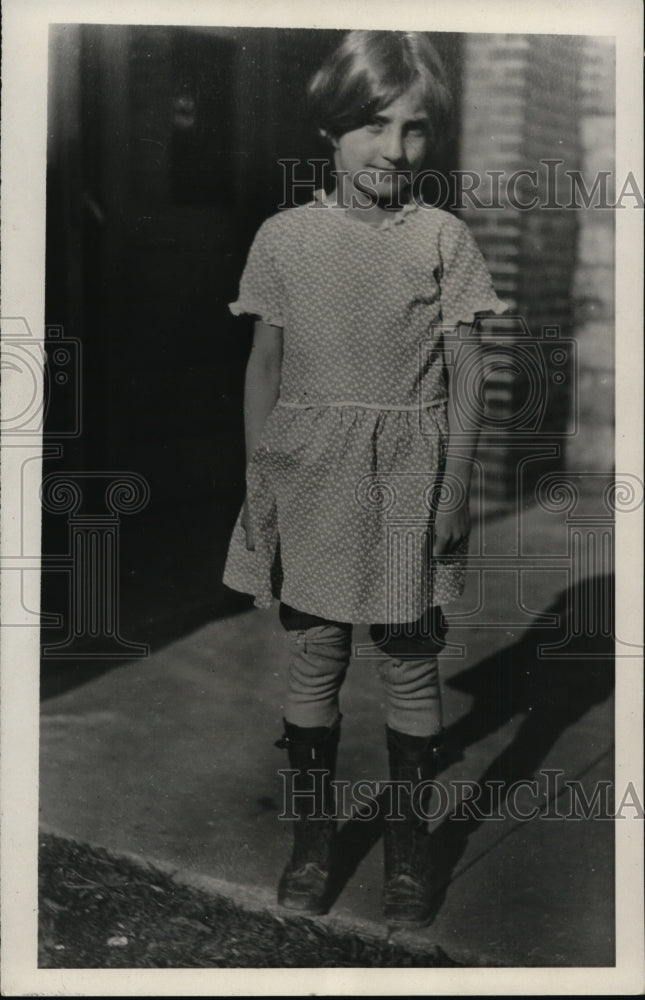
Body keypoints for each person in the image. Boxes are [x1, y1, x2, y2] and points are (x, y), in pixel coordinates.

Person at [223, 30, 507, 929]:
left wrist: (454, 490)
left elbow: (469, 373)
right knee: (315, 657)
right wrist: (258, 482)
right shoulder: (283, 238)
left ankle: (410, 863)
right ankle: (311, 844)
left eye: (414, 129)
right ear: (330, 134)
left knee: (409, 666)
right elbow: (263, 367)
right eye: (372, 126)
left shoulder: (440, 238)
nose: (393, 149)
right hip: (307, 476)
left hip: (409, 484)